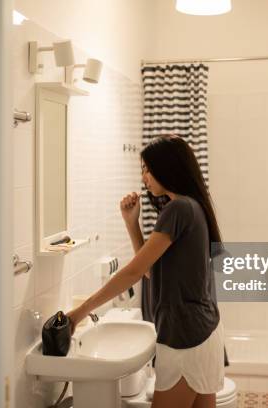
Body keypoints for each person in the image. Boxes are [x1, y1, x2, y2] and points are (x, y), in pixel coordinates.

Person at [67, 135, 224, 408]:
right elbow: (154, 272)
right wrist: (132, 224)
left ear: (168, 168)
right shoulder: (192, 207)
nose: (144, 177)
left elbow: (134, 272)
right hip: (203, 333)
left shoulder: (177, 209)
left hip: (184, 338)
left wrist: (78, 314)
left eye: (147, 169)